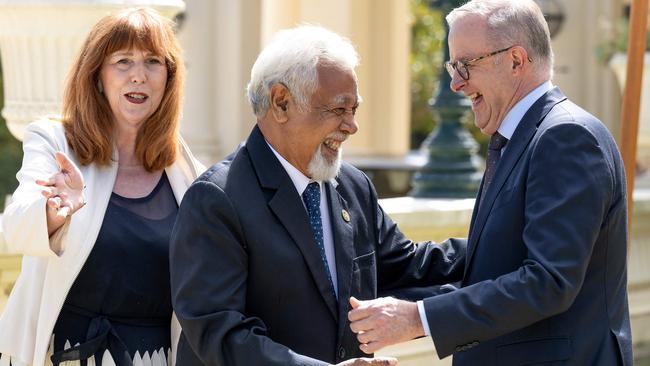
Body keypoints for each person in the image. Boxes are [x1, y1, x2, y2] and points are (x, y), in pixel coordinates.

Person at [347, 1, 632, 365]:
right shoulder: (526, 137)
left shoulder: (565, 137)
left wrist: (418, 318)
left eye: (465, 65)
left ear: (516, 60)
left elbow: (548, 281)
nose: (455, 83)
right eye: (452, 66)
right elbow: (501, 253)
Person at [169, 25, 466, 366]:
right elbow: (219, 334)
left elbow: (411, 268)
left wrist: (499, 242)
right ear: (281, 102)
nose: (351, 126)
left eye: (355, 109)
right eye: (339, 109)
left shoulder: (354, 187)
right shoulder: (216, 199)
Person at [0, 8, 204, 366]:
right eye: (123, 61)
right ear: (97, 76)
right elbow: (15, 226)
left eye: (153, 61)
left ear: (169, 78)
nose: (138, 76)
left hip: (155, 359)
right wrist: (53, 212)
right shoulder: (54, 141)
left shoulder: (188, 172)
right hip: (63, 355)